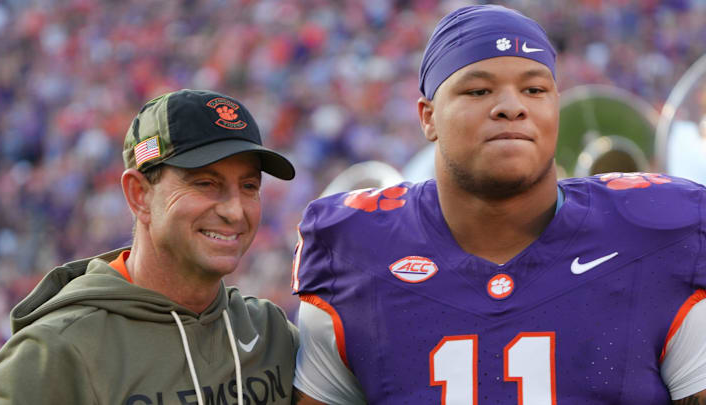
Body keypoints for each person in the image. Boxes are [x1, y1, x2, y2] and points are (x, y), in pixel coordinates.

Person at [290, 5, 706, 404]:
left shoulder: (660, 235)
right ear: (427, 117)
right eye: (479, 89)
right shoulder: (352, 250)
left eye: (534, 89)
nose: (511, 106)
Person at [0, 89, 299, 405]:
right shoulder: (59, 351)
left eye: (249, 187)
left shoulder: (272, 335)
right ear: (139, 194)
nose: (235, 211)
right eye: (206, 183)